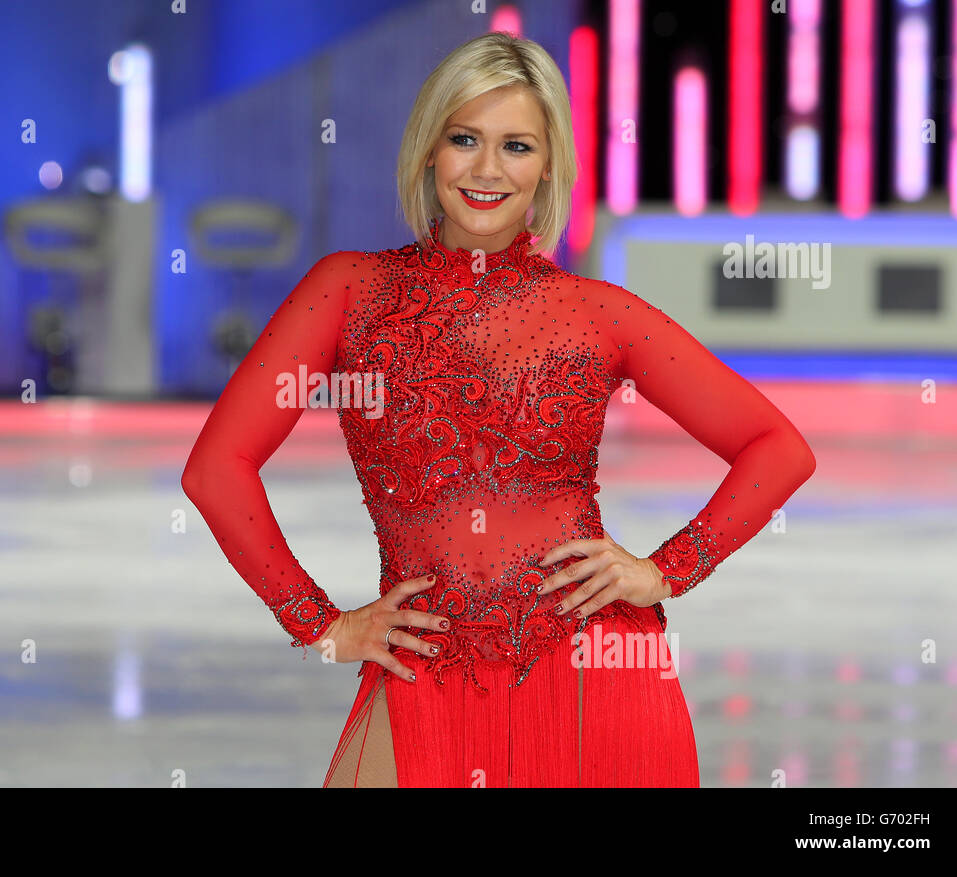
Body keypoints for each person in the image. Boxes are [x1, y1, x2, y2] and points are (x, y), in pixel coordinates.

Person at [180, 31, 817, 787]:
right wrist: (321, 625)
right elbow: (216, 469)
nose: (487, 169)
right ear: (428, 150)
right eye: (464, 139)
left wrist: (665, 571)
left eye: (516, 145)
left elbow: (778, 445)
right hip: (422, 668)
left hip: (598, 677)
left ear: (549, 166)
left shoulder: (599, 313)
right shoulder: (348, 292)